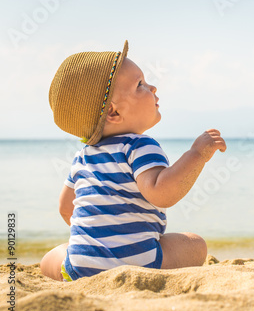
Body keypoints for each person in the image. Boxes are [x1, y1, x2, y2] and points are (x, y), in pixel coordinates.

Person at [40, 40, 226, 282]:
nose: (153, 87)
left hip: (81, 267)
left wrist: (100, 238)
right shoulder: (140, 146)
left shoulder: (82, 156)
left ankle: (76, 264)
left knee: (51, 259)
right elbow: (161, 193)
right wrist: (197, 155)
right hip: (141, 263)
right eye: (140, 85)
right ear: (113, 113)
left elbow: (66, 208)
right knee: (195, 244)